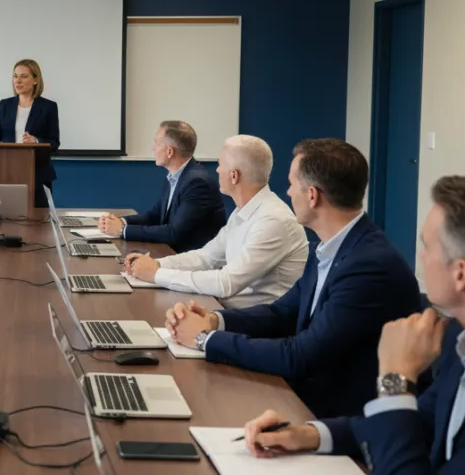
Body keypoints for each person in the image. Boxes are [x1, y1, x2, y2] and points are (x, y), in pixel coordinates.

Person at [238, 175, 465, 475]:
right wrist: (310, 434)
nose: (418, 257)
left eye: (426, 246)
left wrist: (395, 377)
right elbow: (424, 421)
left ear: (461, 273)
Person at [166, 139, 421, 418]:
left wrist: (206, 339)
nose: (287, 193)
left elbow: (301, 356)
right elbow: (282, 313)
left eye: (290, 184)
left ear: (312, 195)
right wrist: (215, 319)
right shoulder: (331, 247)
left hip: (342, 417)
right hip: (311, 397)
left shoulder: (368, 266)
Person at [122, 135, 307, 309]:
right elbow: (207, 258)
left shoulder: (273, 220)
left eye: (220, 164)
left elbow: (226, 283)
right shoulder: (243, 211)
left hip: (259, 327)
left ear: (234, 176)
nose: (217, 170)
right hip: (230, 311)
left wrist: (157, 274)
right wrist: (158, 264)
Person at [98, 121, 225, 253]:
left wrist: (121, 230)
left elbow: (174, 233)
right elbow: (155, 216)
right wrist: (121, 222)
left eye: (157, 143)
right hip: (173, 253)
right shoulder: (175, 177)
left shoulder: (197, 183)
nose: (153, 149)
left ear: (169, 152)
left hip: (192, 261)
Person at [0, 59, 60, 207]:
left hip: (38, 173)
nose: (18, 81)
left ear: (35, 80)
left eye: (24, 76)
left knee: (39, 221)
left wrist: (36, 141)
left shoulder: (48, 107)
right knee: (8, 217)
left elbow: (54, 142)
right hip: (7, 170)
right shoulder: (5, 105)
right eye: (15, 76)